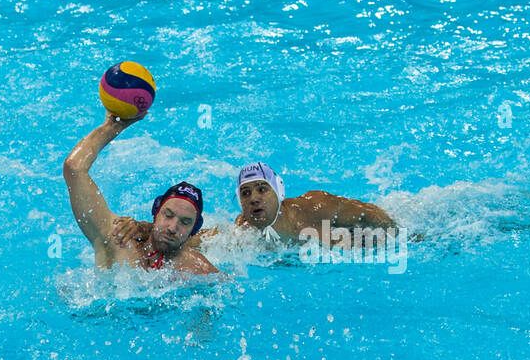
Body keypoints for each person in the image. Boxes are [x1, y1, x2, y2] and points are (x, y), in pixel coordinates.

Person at [63, 113, 217, 275]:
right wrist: (113, 126)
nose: (172, 227)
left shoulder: (199, 271)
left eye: (185, 222)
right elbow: (74, 168)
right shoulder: (118, 238)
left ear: (194, 229)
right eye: (168, 215)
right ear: (156, 212)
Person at [230, 161, 395, 243]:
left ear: (278, 191)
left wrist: (398, 233)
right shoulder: (243, 233)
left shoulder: (315, 206)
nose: (253, 199)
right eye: (245, 193)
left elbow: (367, 212)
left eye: (262, 189)